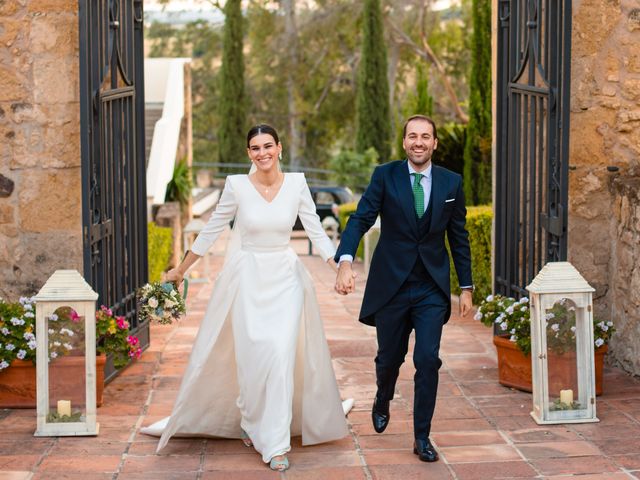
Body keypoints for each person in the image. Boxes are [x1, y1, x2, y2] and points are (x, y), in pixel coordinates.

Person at [141, 124, 349, 471]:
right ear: (248, 154)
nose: (262, 153)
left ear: (279, 148)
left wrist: (339, 265)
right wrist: (180, 270)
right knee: (255, 360)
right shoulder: (236, 185)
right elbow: (210, 230)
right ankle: (252, 422)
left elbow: (316, 229)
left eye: (268, 146)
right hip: (248, 280)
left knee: (279, 355)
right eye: (255, 148)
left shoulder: (297, 184)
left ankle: (276, 443)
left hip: (286, 279)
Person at [334, 115, 473, 463]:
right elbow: (361, 217)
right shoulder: (385, 175)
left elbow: (459, 237)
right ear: (404, 142)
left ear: (435, 143)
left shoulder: (451, 183)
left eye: (426, 136)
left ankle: (422, 437)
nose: (419, 142)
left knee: (428, 360)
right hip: (391, 286)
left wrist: (467, 287)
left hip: (430, 289)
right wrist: (345, 261)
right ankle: (383, 395)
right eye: (413, 136)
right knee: (389, 359)